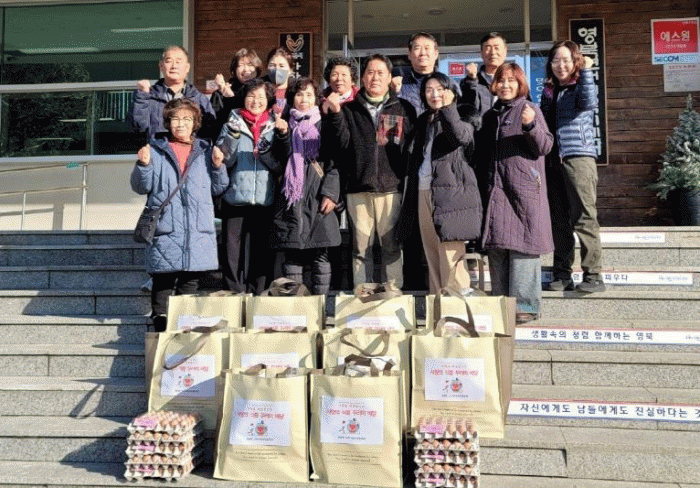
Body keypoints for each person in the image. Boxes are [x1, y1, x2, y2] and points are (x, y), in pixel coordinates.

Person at [130, 99, 228, 332]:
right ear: (167, 122)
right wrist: (143, 165)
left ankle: (185, 325)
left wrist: (218, 166)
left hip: (197, 227)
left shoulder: (205, 150)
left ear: (195, 123)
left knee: (190, 280)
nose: (180, 124)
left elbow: (218, 188)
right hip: (167, 225)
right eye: (175, 119)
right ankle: (160, 323)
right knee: (163, 277)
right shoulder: (156, 149)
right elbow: (140, 187)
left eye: (186, 119)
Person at [326, 54, 416, 289]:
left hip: (391, 189)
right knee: (360, 248)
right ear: (363, 78)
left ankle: (393, 294)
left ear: (389, 77)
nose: (375, 77)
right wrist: (336, 115)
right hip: (358, 189)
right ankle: (362, 296)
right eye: (370, 72)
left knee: (392, 246)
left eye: (380, 72)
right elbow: (341, 146)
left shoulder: (403, 108)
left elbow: (409, 149)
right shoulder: (349, 109)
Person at [477, 63, 554, 324]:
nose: (505, 85)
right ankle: (500, 303)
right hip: (497, 191)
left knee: (523, 249)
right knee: (498, 247)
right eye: (501, 80)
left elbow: (545, 146)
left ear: (521, 84)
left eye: (511, 80)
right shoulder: (491, 115)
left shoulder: (529, 109)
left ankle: (525, 306)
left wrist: (530, 125)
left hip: (523, 192)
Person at [397, 72, 482, 295]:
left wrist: (448, 108)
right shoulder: (424, 120)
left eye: (440, 89)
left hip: (451, 194)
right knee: (432, 251)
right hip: (424, 189)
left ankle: (457, 309)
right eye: (429, 90)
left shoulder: (463, 113)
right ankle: (437, 306)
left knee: (451, 253)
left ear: (451, 91)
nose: (434, 94)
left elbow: (460, 137)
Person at [541, 41, 604, 293]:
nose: (561, 65)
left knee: (584, 218)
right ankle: (562, 274)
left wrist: (586, 71)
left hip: (578, 158)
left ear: (576, 61)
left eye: (566, 60)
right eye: (556, 60)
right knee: (559, 221)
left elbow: (589, 103)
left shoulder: (581, 85)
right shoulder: (549, 91)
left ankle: (593, 275)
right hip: (553, 161)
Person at [270, 78, 341, 295]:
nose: (304, 99)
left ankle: (321, 304)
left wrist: (330, 193)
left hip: (318, 195)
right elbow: (279, 158)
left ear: (316, 99)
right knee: (293, 255)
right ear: (292, 98)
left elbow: (334, 161)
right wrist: (283, 135)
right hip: (292, 197)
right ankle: (296, 306)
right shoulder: (284, 124)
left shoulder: (324, 123)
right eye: (299, 95)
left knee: (321, 254)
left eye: (309, 95)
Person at [214, 79, 284, 294]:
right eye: (251, 96)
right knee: (231, 251)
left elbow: (280, 165)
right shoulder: (232, 122)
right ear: (243, 98)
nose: (256, 101)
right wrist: (233, 137)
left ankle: (258, 293)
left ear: (268, 100)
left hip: (265, 197)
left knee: (261, 252)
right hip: (235, 196)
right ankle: (232, 293)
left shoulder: (275, 124)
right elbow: (225, 160)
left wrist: (264, 153)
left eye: (261, 97)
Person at [128, 46, 216, 141]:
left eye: (178, 62)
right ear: (161, 66)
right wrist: (142, 96)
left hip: (190, 149)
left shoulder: (199, 99)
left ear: (187, 67)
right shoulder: (148, 96)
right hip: (157, 149)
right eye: (169, 61)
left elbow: (210, 131)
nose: (174, 66)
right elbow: (137, 127)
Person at [391, 32, 461, 116]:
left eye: (427, 48)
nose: (423, 53)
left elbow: (461, 114)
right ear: (409, 54)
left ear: (436, 54)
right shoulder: (397, 82)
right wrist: (393, 93)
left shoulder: (450, 83)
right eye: (417, 48)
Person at [210, 48, 264, 134]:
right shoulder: (220, 94)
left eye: (250, 64)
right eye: (241, 65)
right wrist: (228, 98)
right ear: (234, 70)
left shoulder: (264, 90)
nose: (246, 69)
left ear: (257, 68)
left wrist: (232, 98)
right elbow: (216, 126)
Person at [459, 32, 508, 117]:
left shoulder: (515, 81)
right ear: (481, 53)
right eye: (488, 48)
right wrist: (471, 80)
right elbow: (465, 108)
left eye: (497, 48)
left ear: (505, 52)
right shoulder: (471, 82)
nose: (492, 52)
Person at [263, 47, 294, 116]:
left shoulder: (296, 91)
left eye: (281, 66)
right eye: (272, 65)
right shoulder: (259, 90)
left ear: (290, 69)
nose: (277, 69)